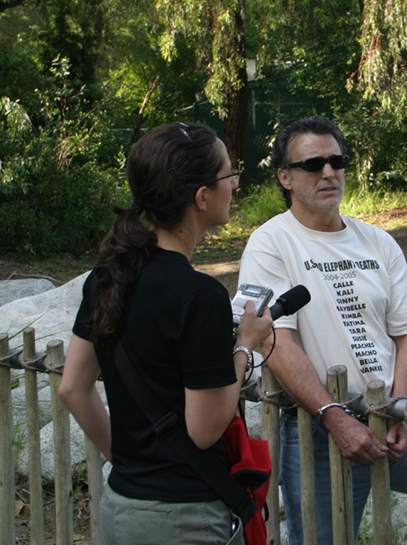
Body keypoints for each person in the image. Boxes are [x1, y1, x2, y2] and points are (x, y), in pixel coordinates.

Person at [59, 122, 273, 545]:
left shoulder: (106, 277)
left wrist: (127, 463)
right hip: (183, 520)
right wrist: (246, 347)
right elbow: (205, 428)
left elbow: (72, 388)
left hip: (120, 505)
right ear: (201, 197)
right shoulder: (199, 295)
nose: (235, 184)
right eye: (229, 175)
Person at [238, 115, 407, 545]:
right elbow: (277, 340)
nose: (328, 172)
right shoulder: (270, 243)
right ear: (285, 177)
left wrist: (399, 406)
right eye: (313, 165)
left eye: (337, 160)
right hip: (319, 427)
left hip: (392, 419)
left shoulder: (378, 241)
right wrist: (334, 417)